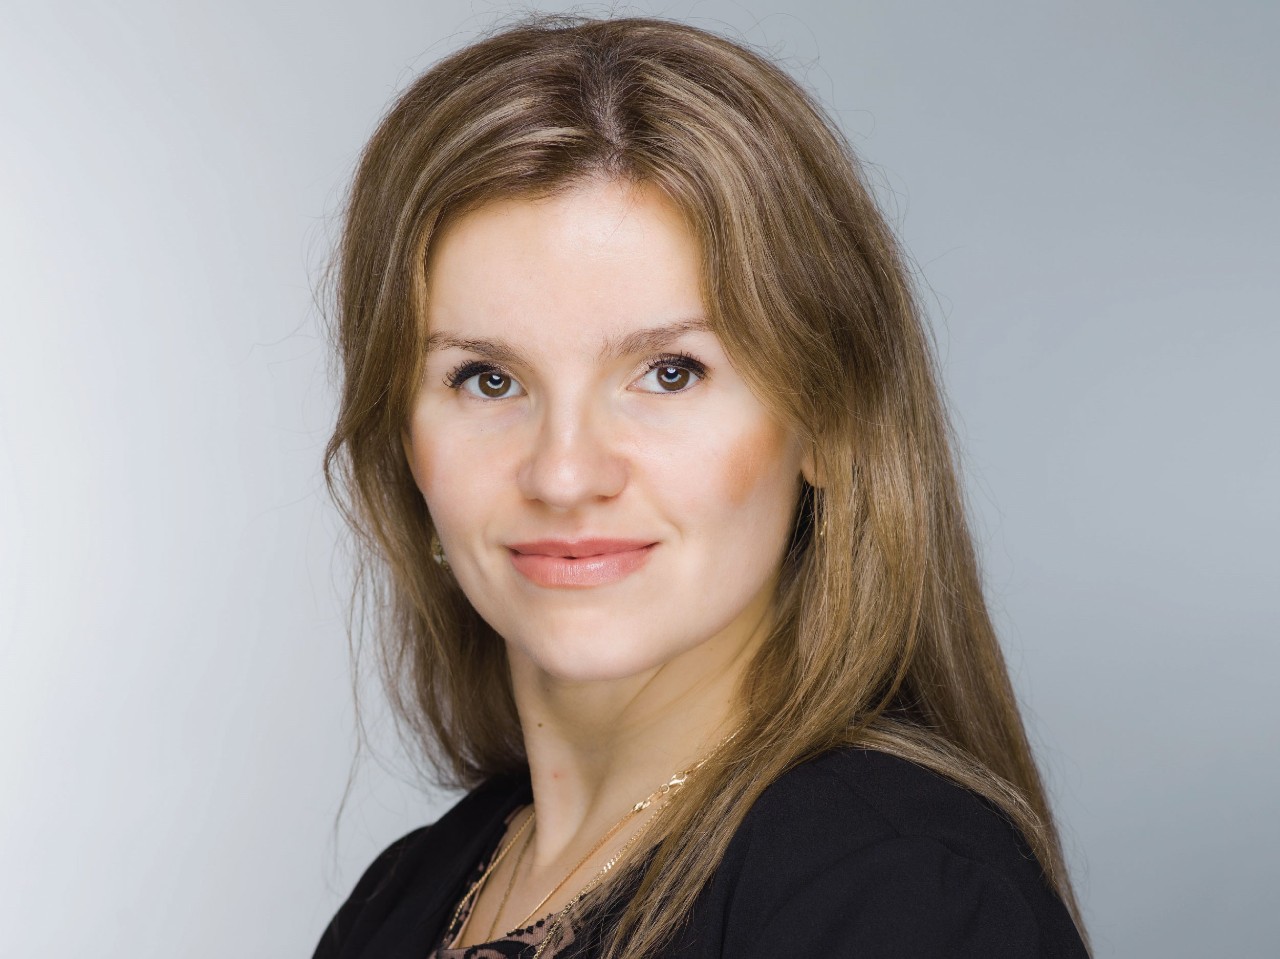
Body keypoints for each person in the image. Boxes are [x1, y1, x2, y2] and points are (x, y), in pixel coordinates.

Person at [313, 13, 1091, 959]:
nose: (564, 472)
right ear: (401, 440)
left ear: (826, 420)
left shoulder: (903, 896)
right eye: (487, 379)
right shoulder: (402, 900)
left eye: (670, 373)